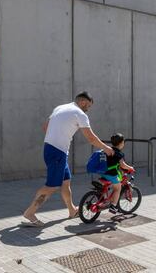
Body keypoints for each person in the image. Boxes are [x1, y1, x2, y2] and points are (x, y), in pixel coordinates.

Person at [22, 91, 115, 227]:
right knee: (52, 186)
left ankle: (72, 210)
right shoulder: (80, 114)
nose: (88, 109)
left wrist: (57, 136)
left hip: (51, 149)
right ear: (83, 102)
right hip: (57, 153)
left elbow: (45, 127)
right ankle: (30, 212)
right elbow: (90, 138)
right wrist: (106, 148)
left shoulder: (60, 108)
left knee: (66, 181)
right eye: (88, 106)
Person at [102, 133, 135, 214]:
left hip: (103, 173)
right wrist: (130, 168)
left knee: (105, 187)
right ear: (121, 143)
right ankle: (113, 206)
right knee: (118, 188)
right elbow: (122, 165)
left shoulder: (108, 150)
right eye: (123, 142)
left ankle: (104, 200)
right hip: (112, 174)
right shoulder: (118, 153)